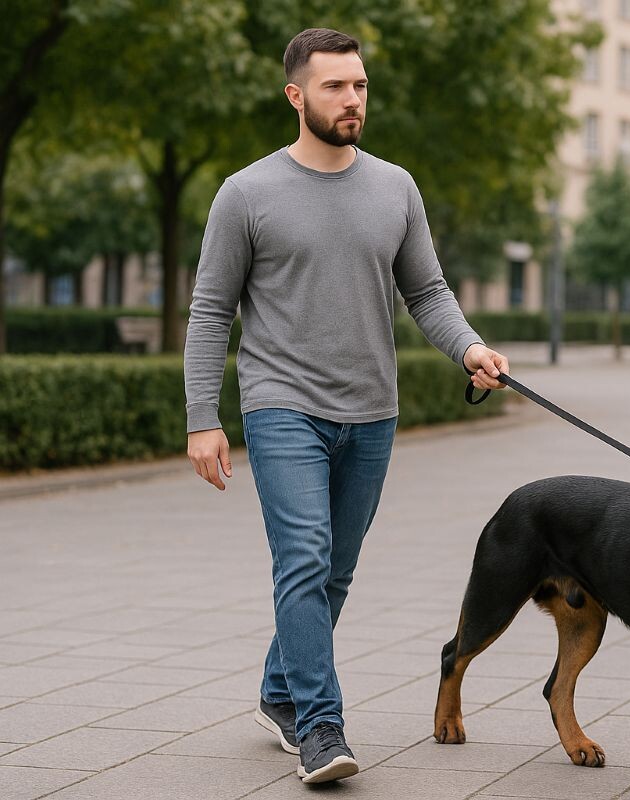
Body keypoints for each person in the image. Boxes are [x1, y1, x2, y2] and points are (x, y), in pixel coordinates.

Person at [183, 27, 508, 784]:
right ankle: (321, 729)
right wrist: (204, 417)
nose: (353, 98)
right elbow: (209, 313)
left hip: (372, 412)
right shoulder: (246, 193)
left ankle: (278, 693)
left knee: (335, 573)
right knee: (304, 558)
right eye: (335, 86)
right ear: (297, 95)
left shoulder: (395, 186)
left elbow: (426, 290)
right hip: (281, 405)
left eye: (359, 84)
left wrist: (469, 348)